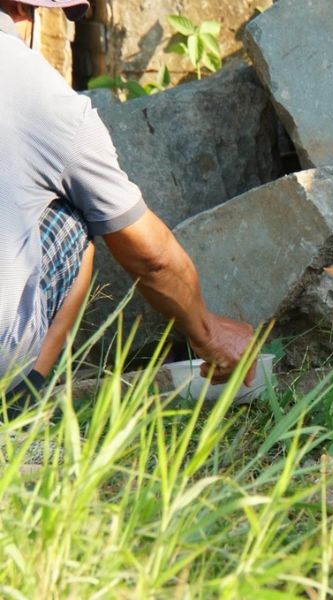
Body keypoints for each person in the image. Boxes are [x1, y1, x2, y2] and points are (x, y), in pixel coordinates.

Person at [0, 0, 257, 413]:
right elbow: (150, 256)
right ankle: (16, 411)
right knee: (77, 217)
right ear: (21, 9)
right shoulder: (44, 96)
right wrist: (206, 331)